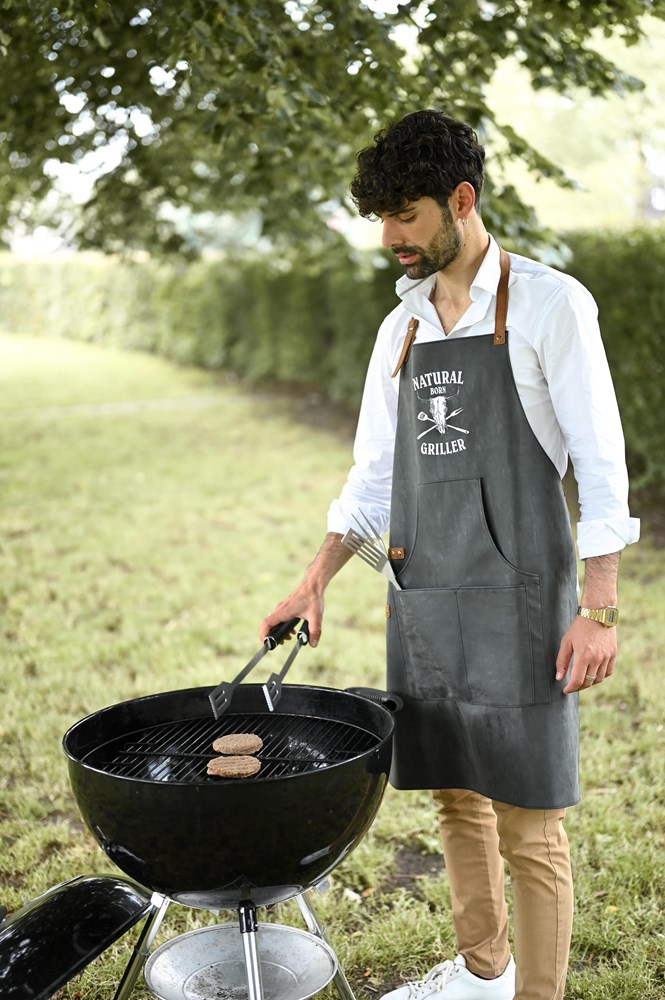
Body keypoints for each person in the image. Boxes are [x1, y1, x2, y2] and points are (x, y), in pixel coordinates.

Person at [259, 110, 640, 1000]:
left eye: (405, 215)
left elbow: (599, 462)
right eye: (381, 218)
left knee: (529, 822)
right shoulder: (399, 331)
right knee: (454, 795)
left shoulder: (550, 304)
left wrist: (598, 606)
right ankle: (480, 971)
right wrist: (313, 580)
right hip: (424, 591)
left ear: (460, 200)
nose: (388, 237)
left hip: (520, 600)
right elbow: (372, 479)